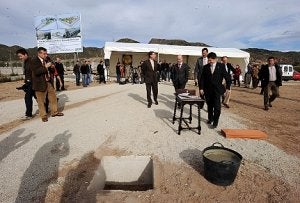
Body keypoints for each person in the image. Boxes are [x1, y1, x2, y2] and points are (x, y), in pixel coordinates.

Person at [30, 47, 64, 122]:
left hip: (48, 82)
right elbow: (36, 72)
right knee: (41, 101)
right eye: (44, 54)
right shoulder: (34, 61)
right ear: (39, 53)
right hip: (39, 83)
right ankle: (43, 115)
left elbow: (50, 71)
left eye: (46, 53)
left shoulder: (46, 60)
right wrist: (45, 66)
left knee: (53, 97)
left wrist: (51, 67)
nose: (46, 55)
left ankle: (54, 112)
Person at [199, 52, 231, 128]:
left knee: (217, 107)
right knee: (209, 106)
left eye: (211, 60)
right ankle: (210, 119)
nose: (209, 62)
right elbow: (202, 79)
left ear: (215, 59)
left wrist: (228, 88)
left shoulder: (221, 66)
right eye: (208, 60)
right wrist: (201, 88)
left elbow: (228, 78)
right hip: (207, 90)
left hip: (217, 90)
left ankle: (215, 121)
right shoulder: (205, 67)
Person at [16, 48, 35, 120]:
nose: (20, 58)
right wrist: (25, 82)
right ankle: (46, 107)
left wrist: (29, 81)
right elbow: (27, 73)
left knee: (28, 98)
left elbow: (34, 73)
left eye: (21, 56)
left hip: (33, 83)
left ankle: (29, 114)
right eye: (19, 56)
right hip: (29, 83)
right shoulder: (26, 62)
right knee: (36, 97)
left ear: (25, 54)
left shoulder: (31, 61)